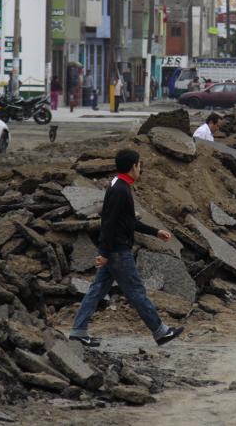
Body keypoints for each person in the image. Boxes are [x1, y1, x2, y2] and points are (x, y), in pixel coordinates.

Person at [69, 149, 184, 347]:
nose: (141, 169)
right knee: (136, 291)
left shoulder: (119, 184)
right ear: (133, 167)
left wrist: (155, 231)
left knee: (97, 290)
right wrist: (104, 253)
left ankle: (78, 331)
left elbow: (127, 221)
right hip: (118, 252)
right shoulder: (120, 190)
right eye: (140, 165)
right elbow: (109, 223)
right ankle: (160, 332)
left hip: (114, 250)